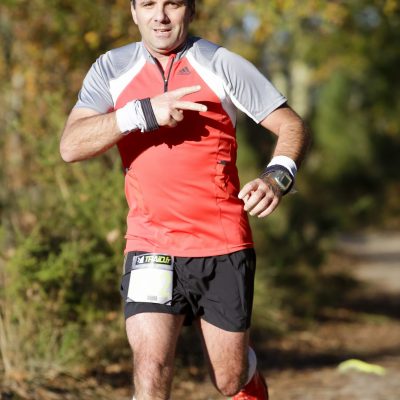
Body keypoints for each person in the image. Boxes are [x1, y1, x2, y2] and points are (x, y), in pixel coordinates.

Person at [60, 0, 309, 399]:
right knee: (150, 364)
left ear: (190, 10)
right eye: (149, 5)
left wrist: (276, 177)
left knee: (229, 378)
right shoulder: (111, 68)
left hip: (222, 243)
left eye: (172, 4)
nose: (160, 16)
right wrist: (139, 113)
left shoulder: (222, 63)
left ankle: (249, 376)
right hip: (150, 242)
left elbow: (290, 123)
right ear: (133, 11)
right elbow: (71, 146)